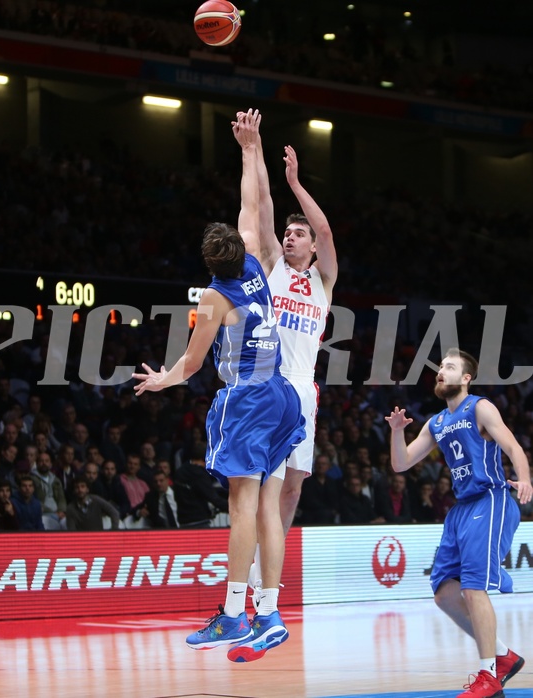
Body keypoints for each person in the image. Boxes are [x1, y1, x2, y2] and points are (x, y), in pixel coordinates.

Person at [132, 109, 305, 663]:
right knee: (270, 509)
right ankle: (271, 612)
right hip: (283, 394)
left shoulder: (214, 297)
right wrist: (250, 147)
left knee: (243, 507)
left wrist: (161, 381)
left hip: (248, 398)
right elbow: (252, 204)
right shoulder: (255, 263)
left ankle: (234, 614)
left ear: (209, 262)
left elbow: (190, 363)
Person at [386, 348, 532, 697]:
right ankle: (503, 656)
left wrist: (525, 478)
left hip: (491, 498)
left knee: (472, 586)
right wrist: (394, 432)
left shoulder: (479, 407)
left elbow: (512, 446)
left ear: (466, 378)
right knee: (444, 594)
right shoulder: (435, 423)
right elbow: (401, 464)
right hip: (461, 509)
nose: (441, 371)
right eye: (440, 367)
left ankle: (488, 674)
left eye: (450, 367)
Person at [246, 111, 338, 596]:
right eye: (289, 233)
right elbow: (260, 207)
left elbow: (325, 233)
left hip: (304, 390)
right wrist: (255, 148)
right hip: (268, 384)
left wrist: (297, 184)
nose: (291, 236)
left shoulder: (324, 280)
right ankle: (251, 577)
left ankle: (267, 578)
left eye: (297, 233)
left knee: (294, 486)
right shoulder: (273, 265)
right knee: (262, 483)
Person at [173, 440, 229, 528]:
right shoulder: (199, 475)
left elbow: (199, 489)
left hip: (183, 521)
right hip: (199, 522)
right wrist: (235, 508)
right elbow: (213, 498)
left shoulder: (181, 470)